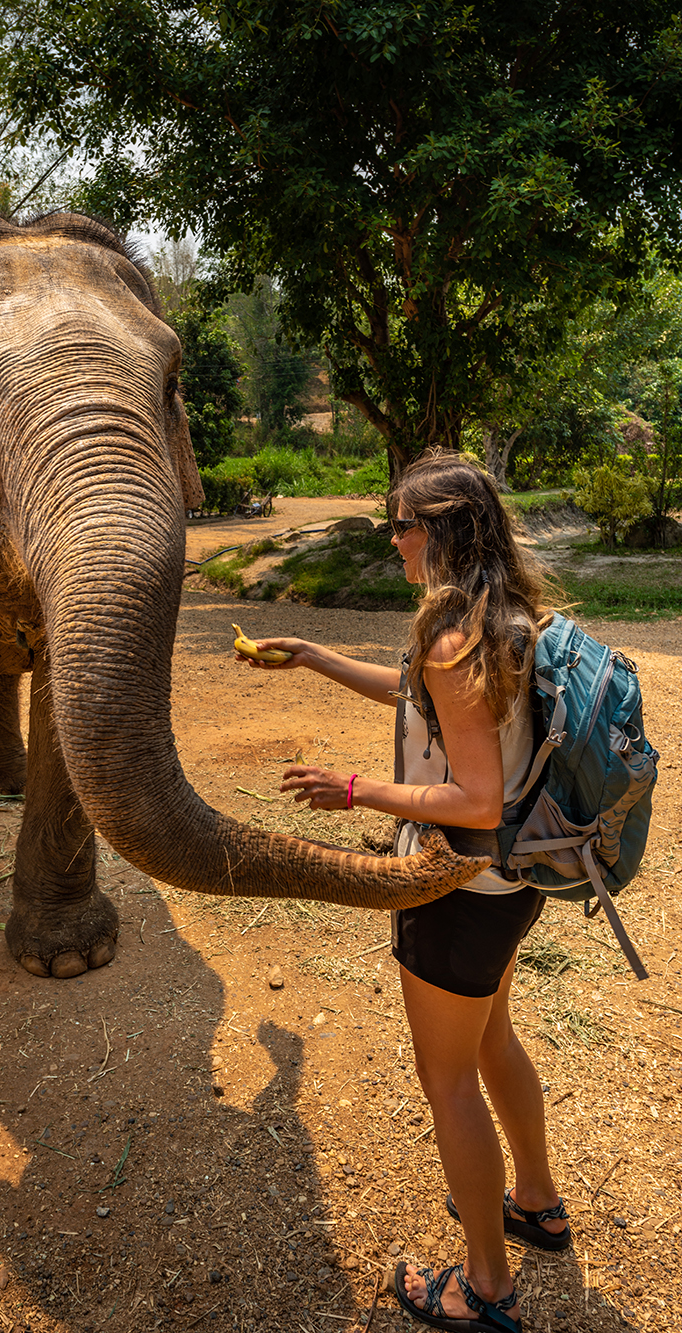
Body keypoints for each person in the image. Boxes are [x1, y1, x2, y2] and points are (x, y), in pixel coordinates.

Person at [236, 450, 570, 1333]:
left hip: (459, 889)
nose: (392, 538)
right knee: (493, 1040)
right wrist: (311, 655)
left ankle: (486, 1287)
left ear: (445, 531)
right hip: (511, 883)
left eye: (404, 524)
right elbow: (419, 699)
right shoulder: (499, 618)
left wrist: (355, 790)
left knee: (448, 1077)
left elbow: (474, 797)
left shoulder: (456, 634)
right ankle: (534, 1201)